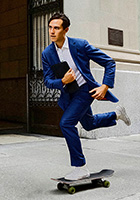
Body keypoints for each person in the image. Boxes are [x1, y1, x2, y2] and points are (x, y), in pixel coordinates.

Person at [42, 13, 131, 180]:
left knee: (66, 123)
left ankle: (80, 167)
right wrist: (63, 80)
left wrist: (104, 86)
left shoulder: (80, 45)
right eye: (50, 27)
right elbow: (47, 81)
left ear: (65, 30)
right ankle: (117, 115)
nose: (52, 31)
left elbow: (109, 62)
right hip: (68, 95)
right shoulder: (47, 53)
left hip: (85, 90)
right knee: (89, 124)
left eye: (56, 28)